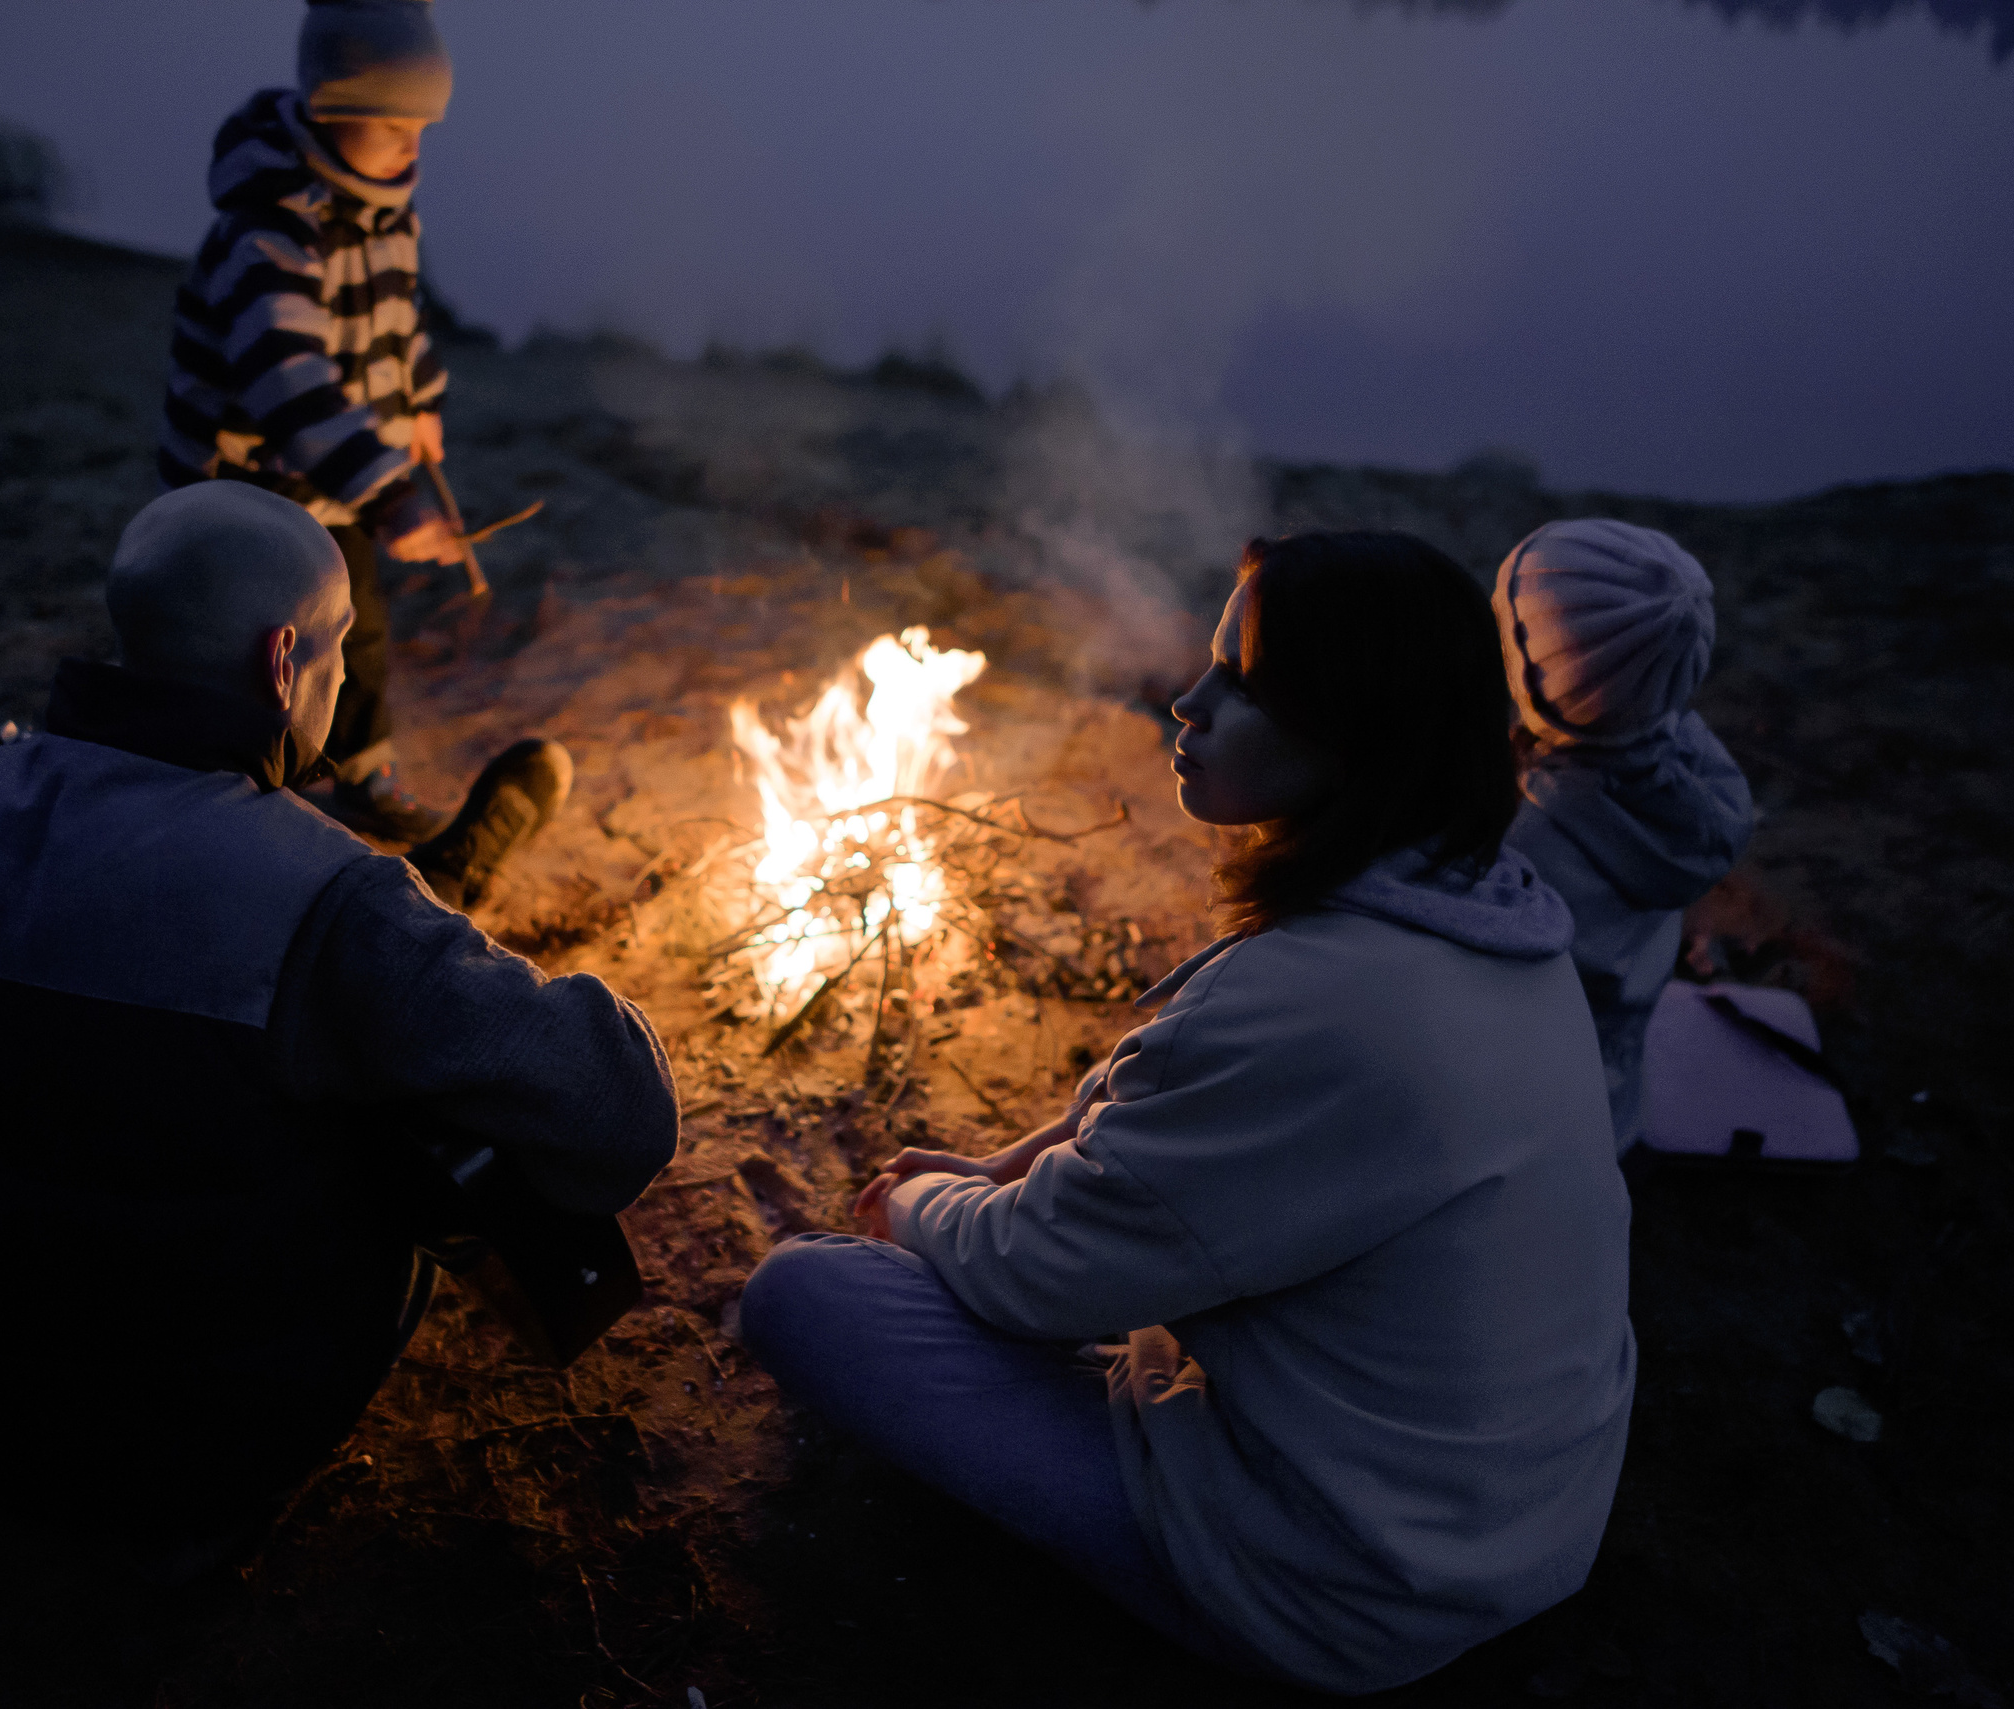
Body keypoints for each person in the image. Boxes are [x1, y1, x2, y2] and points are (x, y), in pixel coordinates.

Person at [737, 532, 1637, 1696]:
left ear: (1349, 730)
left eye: (1244, 684)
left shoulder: (1319, 1004)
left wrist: (915, 1203)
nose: (1187, 700)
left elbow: (1036, 1273)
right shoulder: (1493, 919)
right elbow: (1193, 1125)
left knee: (804, 1293)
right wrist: (1000, 1165)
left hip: (1345, 1585)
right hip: (1505, 1518)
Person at [0, 484, 676, 1563]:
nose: (342, 675)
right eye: (340, 653)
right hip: (203, 1444)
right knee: (408, 1115)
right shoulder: (327, 896)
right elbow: (620, 1114)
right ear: (285, 663)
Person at [158, 0, 470, 840]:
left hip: (338, 479)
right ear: (332, 110)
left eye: (423, 126)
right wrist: (392, 493)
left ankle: (361, 772)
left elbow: (401, 325)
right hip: (248, 487)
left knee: (354, 631)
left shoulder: (389, 214)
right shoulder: (271, 229)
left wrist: (421, 407)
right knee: (252, 646)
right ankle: (236, 788)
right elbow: (286, 383)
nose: (413, 145)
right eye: (393, 123)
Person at [1492, 518, 1756, 1157]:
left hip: (1526, 1122)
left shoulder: (1525, 848)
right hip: (1613, 1091)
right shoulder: (1692, 769)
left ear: (1542, 684)